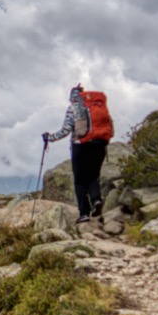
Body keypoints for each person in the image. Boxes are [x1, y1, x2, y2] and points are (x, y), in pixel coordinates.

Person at [43, 84, 112, 223]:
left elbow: (66, 130)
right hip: (99, 145)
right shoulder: (96, 106)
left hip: (80, 146)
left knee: (80, 180)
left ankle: (84, 213)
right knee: (93, 176)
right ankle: (96, 200)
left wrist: (49, 138)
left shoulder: (73, 108)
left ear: (71, 98)